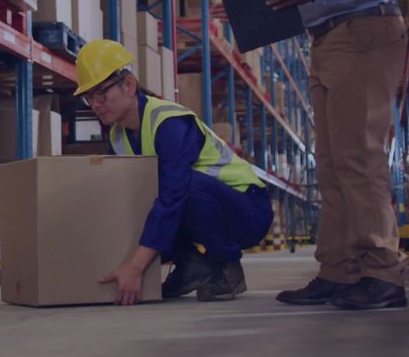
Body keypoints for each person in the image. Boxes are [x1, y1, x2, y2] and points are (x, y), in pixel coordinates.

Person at [235, 0, 409, 310]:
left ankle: (383, 274)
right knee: (331, 165)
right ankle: (339, 269)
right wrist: (256, 5)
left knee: (359, 157)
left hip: (363, 33)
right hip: (329, 40)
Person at [74, 40, 274, 305]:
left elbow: (174, 196)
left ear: (129, 85)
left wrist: (135, 268)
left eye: (101, 93)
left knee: (181, 188)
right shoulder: (118, 136)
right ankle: (191, 264)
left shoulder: (169, 123)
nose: (96, 104)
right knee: (139, 197)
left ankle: (227, 267)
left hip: (247, 209)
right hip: (206, 208)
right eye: (90, 97)